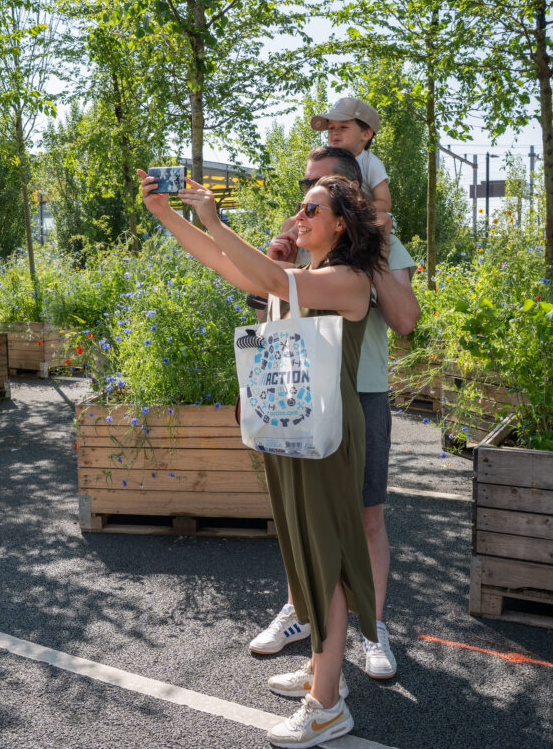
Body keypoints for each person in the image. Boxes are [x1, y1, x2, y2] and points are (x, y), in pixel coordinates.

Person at [139, 168, 383, 748]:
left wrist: (216, 219)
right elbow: (228, 266)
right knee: (302, 548)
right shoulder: (304, 276)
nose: (299, 217)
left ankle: (326, 706)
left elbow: (266, 274)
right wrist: (168, 215)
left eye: (313, 211)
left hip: (324, 434)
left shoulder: (350, 280)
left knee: (325, 555)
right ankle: (325, 672)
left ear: (342, 225)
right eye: (299, 208)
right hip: (293, 424)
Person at [249, 146, 421, 682]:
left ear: (348, 195)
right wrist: (278, 261)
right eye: (304, 186)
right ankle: (304, 616)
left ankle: (372, 628)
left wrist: (368, 255)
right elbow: (267, 307)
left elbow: (407, 320)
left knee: (365, 516)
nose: (304, 202)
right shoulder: (305, 231)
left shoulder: (381, 245)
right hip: (301, 389)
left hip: (360, 392)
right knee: (308, 517)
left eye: (318, 188)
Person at [310, 98, 392, 219]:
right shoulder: (326, 161)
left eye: (343, 127)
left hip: (365, 218)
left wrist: (354, 209)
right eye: (331, 127)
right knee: (290, 222)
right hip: (335, 216)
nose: (335, 132)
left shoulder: (371, 163)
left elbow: (385, 203)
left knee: (384, 220)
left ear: (366, 134)